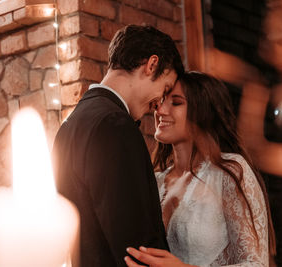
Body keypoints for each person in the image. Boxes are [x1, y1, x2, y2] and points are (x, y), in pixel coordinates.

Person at [52, 24, 184, 266]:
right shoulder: (114, 125)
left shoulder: (70, 125)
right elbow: (138, 247)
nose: (159, 103)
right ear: (152, 64)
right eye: (164, 89)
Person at [124, 71, 276, 267]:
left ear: (203, 112)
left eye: (176, 102)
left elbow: (256, 264)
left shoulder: (229, 171)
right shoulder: (155, 181)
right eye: (161, 101)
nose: (159, 110)